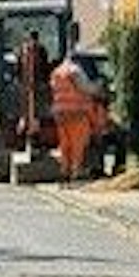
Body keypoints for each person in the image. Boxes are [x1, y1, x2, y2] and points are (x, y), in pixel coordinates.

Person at [49, 55, 107, 183]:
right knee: (78, 143)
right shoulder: (75, 71)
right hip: (77, 112)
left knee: (65, 143)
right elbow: (86, 88)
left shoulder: (56, 72)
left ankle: (65, 171)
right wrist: (99, 86)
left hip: (60, 113)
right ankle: (76, 172)